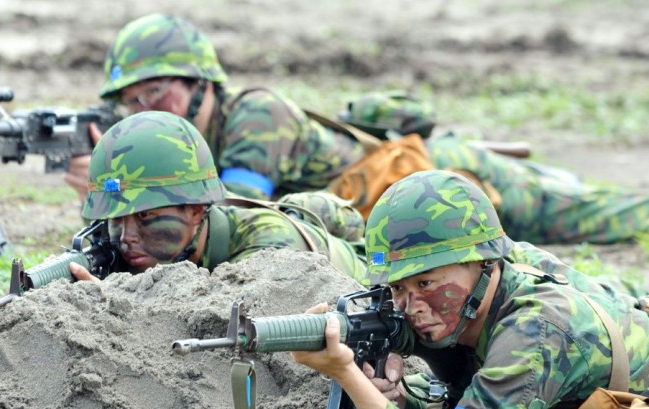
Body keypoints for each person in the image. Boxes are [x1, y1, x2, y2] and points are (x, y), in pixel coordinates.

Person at [66, 12, 649, 245]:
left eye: (157, 91)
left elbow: (236, 210)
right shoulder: (194, 138)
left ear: (203, 84)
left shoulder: (254, 115)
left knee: (598, 216)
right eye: (132, 100)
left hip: (439, 176)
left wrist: (127, 185)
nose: (145, 107)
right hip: (398, 206)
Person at [291, 170, 649, 409]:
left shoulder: (534, 331)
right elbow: (463, 390)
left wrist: (345, 372)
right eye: (398, 288)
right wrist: (401, 400)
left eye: (427, 284)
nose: (412, 308)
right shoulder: (497, 276)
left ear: (483, 264)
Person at [68, 110, 368, 285]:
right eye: (116, 218)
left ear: (197, 210)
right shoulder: (143, 247)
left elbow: (223, 328)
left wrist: (113, 304)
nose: (126, 237)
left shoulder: (271, 248)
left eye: (146, 215)